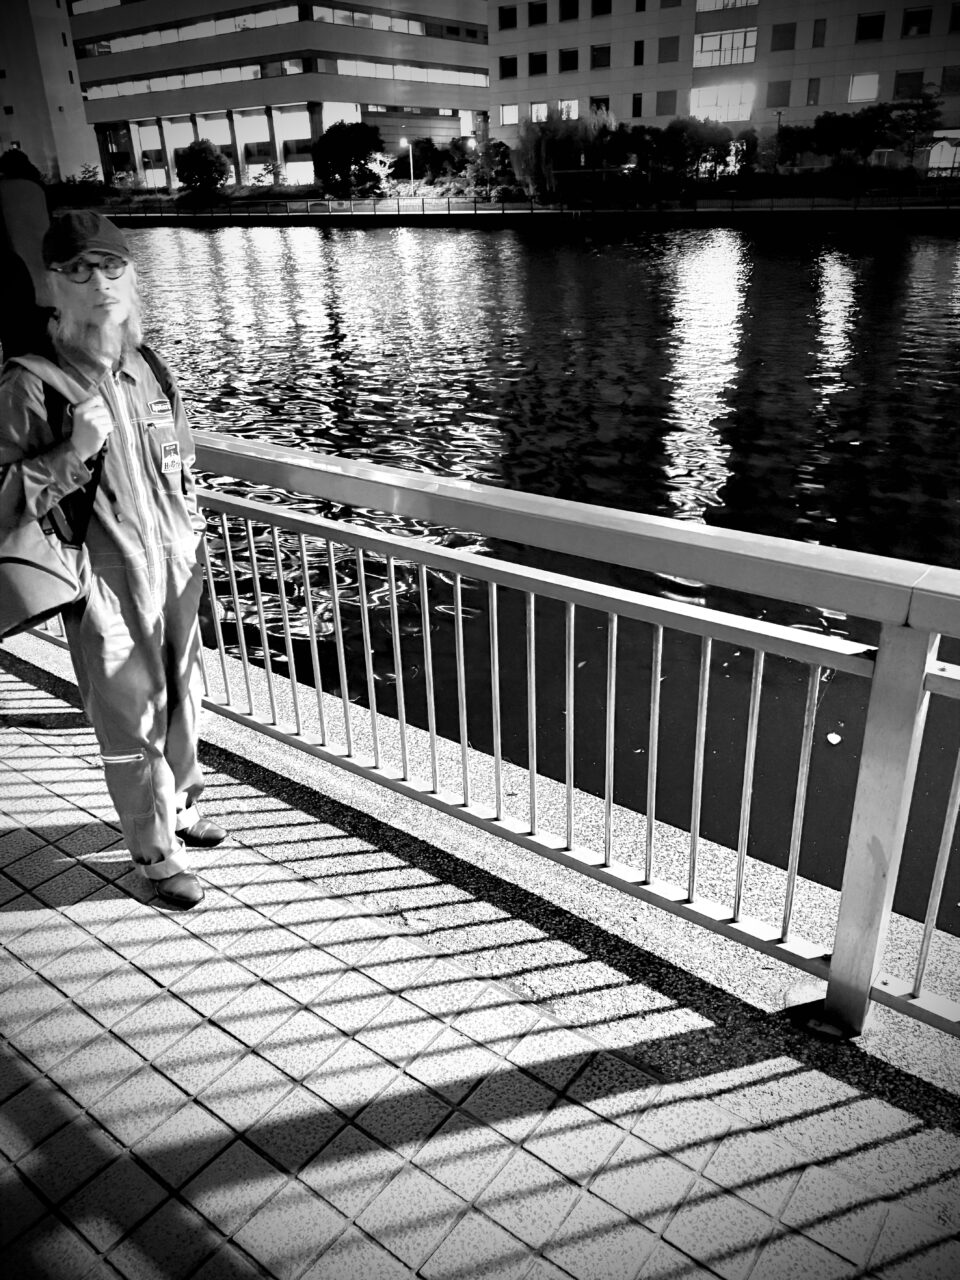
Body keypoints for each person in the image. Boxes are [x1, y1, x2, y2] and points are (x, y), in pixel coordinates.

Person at [0, 210, 224, 908]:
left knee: (185, 696)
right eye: (78, 269)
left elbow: (180, 466)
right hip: (104, 577)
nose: (98, 282)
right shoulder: (31, 384)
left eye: (111, 266)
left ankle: (182, 803)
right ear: (53, 284)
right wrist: (70, 453)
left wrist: (197, 542)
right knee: (130, 719)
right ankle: (156, 856)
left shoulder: (147, 367)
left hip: (177, 566)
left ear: (130, 277)